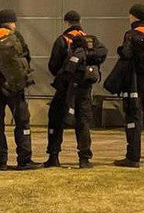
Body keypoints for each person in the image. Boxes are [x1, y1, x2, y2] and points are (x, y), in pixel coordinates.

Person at [45, 10, 106, 169]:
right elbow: (101, 56)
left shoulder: (63, 40)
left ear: (66, 22)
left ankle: (53, 156)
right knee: (83, 121)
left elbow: (53, 65)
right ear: (80, 22)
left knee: (56, 119)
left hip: (65, 87)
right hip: (85, 88)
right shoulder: (91, 40)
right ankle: (84, 158)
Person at [0, 9, 40, 171]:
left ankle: (1, 161)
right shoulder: (15, 36)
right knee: (22, 122)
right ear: (11, 22)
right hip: (15, 88)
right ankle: (24, 159)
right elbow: (26, 57)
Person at [113, 4, 144, 168]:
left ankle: (133, 157)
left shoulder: (131, 34)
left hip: (135, 81)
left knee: (133, 116)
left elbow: (126, 54)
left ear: (133, 16)